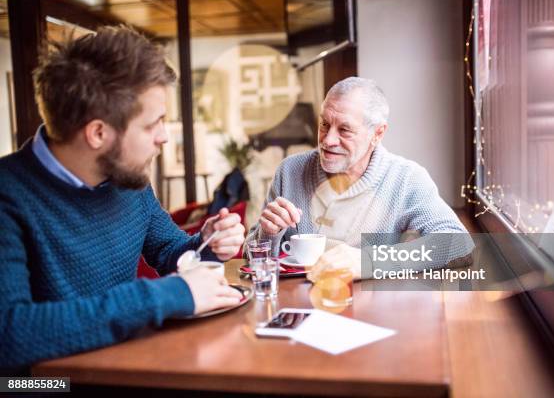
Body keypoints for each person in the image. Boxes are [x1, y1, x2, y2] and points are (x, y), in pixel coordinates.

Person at [0, 26, 245, 373]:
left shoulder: (128, 178)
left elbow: (171, 252)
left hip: (126, 369)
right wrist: (166, 296)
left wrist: (207, 244)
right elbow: (10, 334)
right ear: (98, 133)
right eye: (153, 124)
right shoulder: (8, 194)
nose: (164, 137)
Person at [246, 77, 472, 281]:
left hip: (372, 312)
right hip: (298, 308)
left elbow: (458, 245)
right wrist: (268, 233)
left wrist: (368, 261)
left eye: (344, 130)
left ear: (378, 134)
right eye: (324, 124)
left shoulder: (406, 178)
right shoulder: (289, 171)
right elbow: (250, 255)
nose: (328, 140)